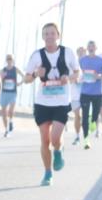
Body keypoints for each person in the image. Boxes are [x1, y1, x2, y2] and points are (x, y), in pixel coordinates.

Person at [23, 23, 80, 186]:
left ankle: (58, 150)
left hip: (61, 101)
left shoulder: (67, 53)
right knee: (45, 140)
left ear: (58, 35)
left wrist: (68, 78)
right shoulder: (37, 55)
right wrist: (35, 74)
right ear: (43, 37)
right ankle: (48, 173)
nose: (49, 36)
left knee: (55, 138)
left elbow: (77, 72)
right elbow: (26, 79)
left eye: (52, 33)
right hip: (42, 102)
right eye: (46, 34)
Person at [77, 41, 102, 149]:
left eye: (93, 46)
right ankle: (86, 140)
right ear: (87, 48)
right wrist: (79, 77)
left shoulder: (101, 61)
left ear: (96, 48)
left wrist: (100, 76)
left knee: (95, 115)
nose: (91, 47)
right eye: (89, 45)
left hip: (97, 93)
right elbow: (76, 72)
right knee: (84, 116)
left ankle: (93, 122)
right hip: (85, 92)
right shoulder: (82, 60)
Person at [0, 54, 23, 137]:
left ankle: (11, 121)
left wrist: (19, 83)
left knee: (11, 111)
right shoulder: (2, 70)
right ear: (6, 60)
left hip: (12, 93)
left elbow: (23, 76)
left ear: (13, 60)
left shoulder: (15, 69)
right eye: (8, 59)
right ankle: (6, 129)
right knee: (3, 112)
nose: (9, 60)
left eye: (10, 59)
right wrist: (1, 78)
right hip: (4, 93)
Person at [70, 47, 85, 145]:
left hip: (86, 94)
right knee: (77, 115)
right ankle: (77, 136)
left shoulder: (88, 65)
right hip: (75, 95)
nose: (81, 54)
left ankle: (85, 134)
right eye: (79, 52)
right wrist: (74, 79)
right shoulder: (72, 65)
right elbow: (70, 78)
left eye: (82, 52)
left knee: (85, 116)